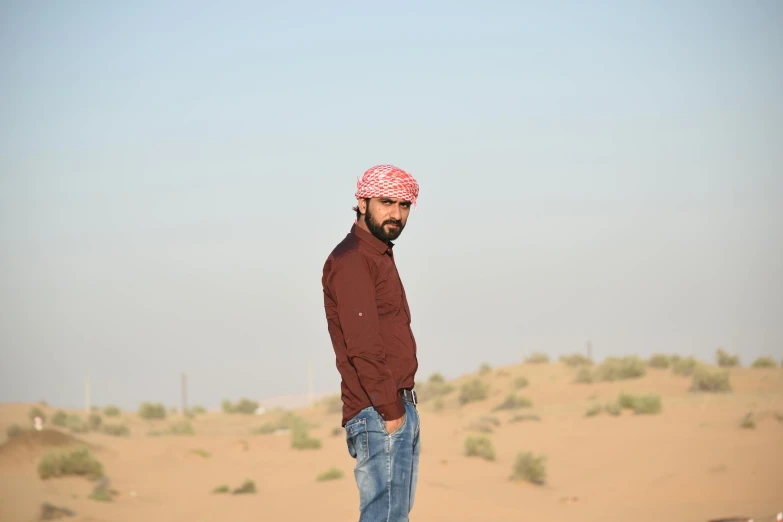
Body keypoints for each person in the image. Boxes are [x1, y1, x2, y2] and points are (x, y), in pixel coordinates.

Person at [322, 164, 422, 522]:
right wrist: (391, 410)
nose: (396, 214)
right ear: (362, 203)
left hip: (393, 407)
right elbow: (362, 346)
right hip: (379, 410)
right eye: (386, 202)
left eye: (404, 205)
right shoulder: (353, 260)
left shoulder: (377, 255)